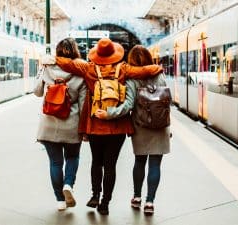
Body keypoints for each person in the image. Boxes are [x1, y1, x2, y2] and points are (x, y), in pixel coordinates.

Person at [43, 38, 163, 215]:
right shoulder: (123, 68)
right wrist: (157, 68)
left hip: (96, 124)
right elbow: (143, 71)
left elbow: (70, 64)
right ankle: (105, 202)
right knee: (110, 166)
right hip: (118, 126)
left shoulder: (89, 68)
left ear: (97, 54)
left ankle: (95, 195)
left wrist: (54, 59)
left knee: (96, 162)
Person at [95, 45, 171, 216]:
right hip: (160, 126)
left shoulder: (131, 80)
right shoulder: (159, 74)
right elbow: (166, 100)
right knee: (155, 164)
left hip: (141, 125)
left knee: (140, 162)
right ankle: (150, 202)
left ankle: (137, 198)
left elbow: (128, 106)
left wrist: (109, 113)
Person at [34, 38, 86, 211]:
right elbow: (84, 102)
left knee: (55, 163)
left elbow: (37, 92)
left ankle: (60, 201)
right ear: (75, 51)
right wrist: (85, 129)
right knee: (72, 157)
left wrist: (41, 71)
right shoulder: (80, 72)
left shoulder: (47, 67)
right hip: (72, 125)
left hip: (49, 125)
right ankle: (68, 184)